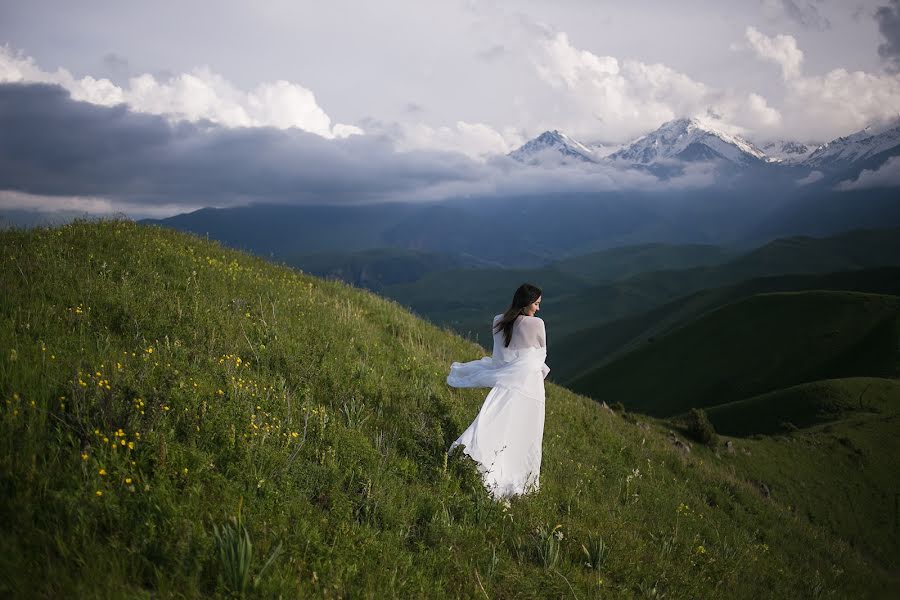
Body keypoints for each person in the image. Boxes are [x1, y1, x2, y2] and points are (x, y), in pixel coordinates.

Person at [446, 283, 549, 500]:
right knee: (525, 432)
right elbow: (541, 357)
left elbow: (498, 359)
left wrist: (508, 373)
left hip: (507, 383)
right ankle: (518, 479)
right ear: (527, 302)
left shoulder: (498, 321)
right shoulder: (537, 324)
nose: (538, 309)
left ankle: (481, 458)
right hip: (530, 386)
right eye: (536, 303)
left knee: (498, 423)